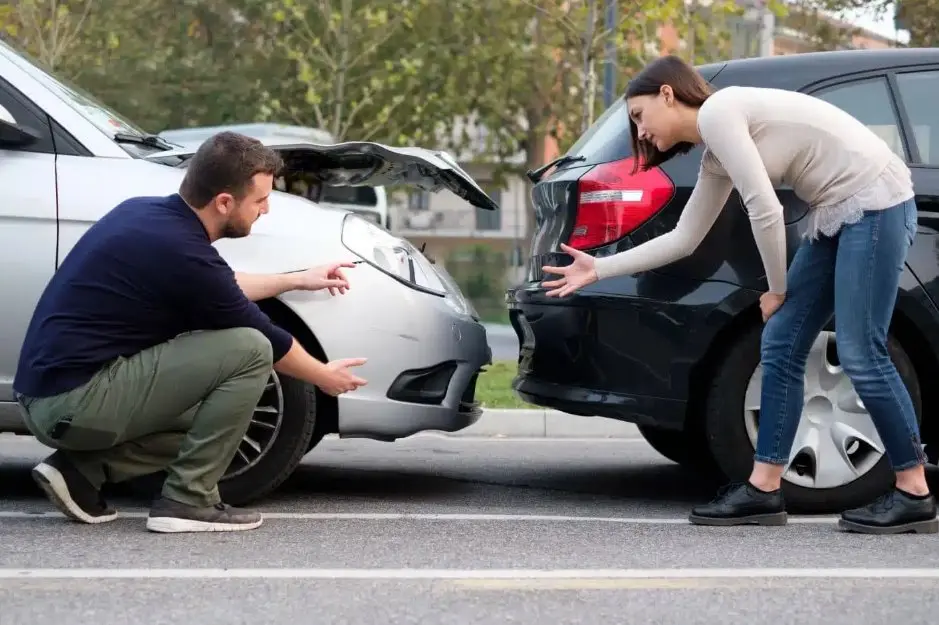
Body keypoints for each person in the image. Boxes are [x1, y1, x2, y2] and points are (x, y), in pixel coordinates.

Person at [541, 54, 937, 535]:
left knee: (860, 349)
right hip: (838, 213)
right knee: (783, 342)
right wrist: (600, 268)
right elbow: (684, 238)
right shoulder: (716, 152)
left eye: (639, 116)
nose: (640, 132)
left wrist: (775, 290)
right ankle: (764, 488)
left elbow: (766, 211)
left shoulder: (719, 112)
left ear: (668, 93)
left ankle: (913, 491)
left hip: (876, 204)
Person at [13, 131, 368, 534]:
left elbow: (222, 283)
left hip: (52, 396)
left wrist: (299, 279)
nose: (266, 209)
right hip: (72, 403)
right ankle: (187, 500)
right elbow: (266, 337)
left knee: (219, 416)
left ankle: (79, 472)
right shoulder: (181, 252)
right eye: (260, 200)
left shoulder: (146, 215)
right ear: (224, 202)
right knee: (249, 348)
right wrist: (325, 377)